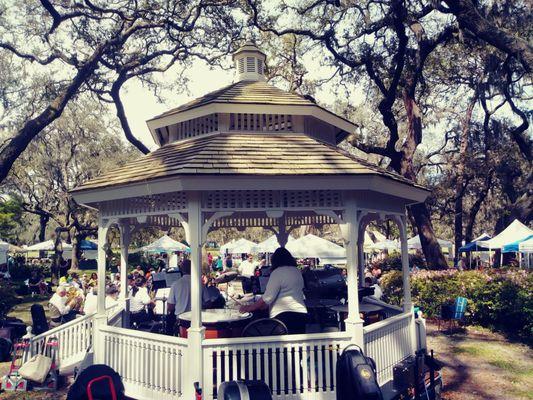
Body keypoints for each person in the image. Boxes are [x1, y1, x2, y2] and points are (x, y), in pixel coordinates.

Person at [239, 247, 307, 334]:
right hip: (301, 314)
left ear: (275, 260)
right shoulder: (296, 271)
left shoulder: (277, 272)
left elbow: (268, 298)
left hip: (283, 316)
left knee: (281, 346)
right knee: (297, 346)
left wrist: (248, 307)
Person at [166, 260, 192, 335]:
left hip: (181, 320)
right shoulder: (199, 283)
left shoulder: (176, 284)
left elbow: (170, 306)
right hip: (196, 320)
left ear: (181, 270)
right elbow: (208, 302)